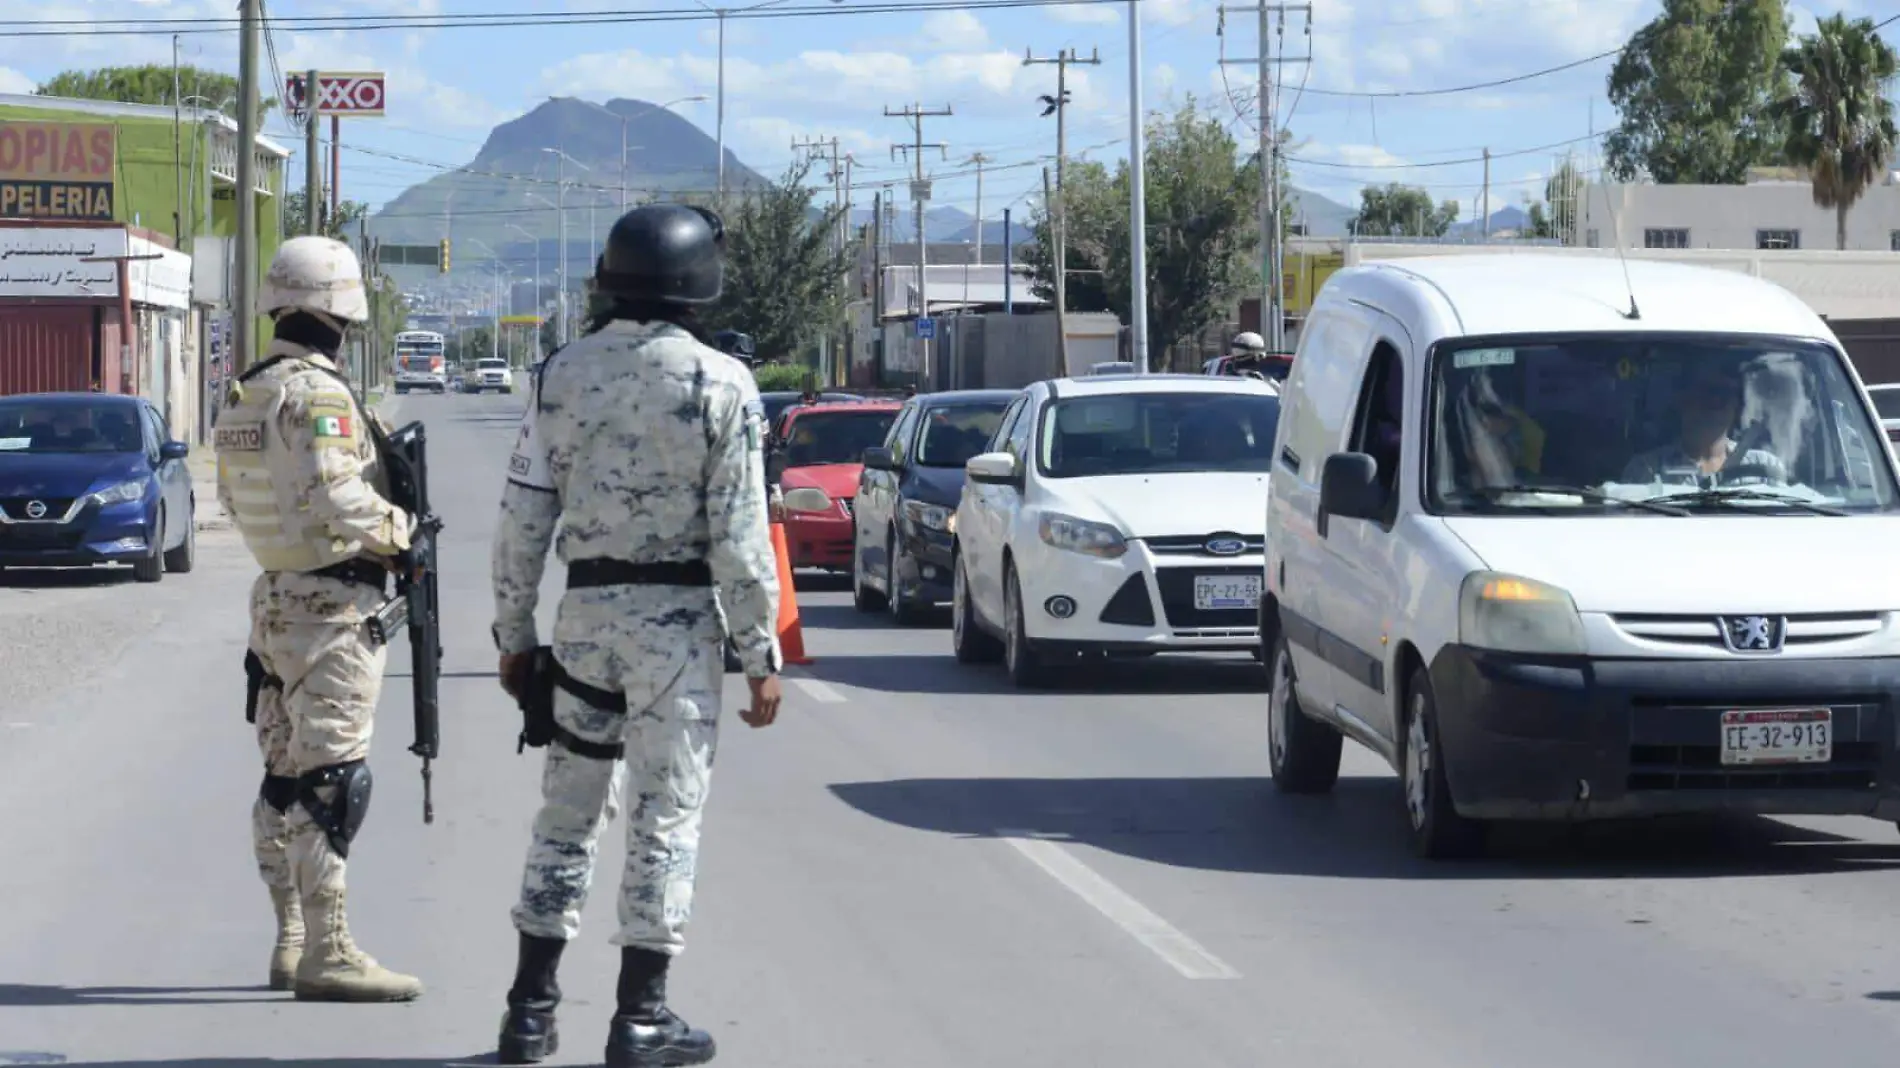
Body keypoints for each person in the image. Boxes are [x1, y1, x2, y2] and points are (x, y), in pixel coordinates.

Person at [490, 202, 784, 1068]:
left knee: (565, 816)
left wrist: (515, 635)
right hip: (678, 636)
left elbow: (520, 521)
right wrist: (761, 652)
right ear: (698, 283)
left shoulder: (558, 375)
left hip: (582, 627)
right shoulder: (722, 383)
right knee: (665, 818)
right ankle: (641, 1018)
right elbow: (740, 534)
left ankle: (528, 1013)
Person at [212, 235, 423, 1003]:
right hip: (332, 608)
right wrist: (406, 540)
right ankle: (327, 951)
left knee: (284, 775)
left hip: (274, 600)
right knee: (332, 781)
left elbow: (235, 502)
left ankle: (290, 940)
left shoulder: (246, 393)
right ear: (340, 312)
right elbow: (337, 495)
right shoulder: (321, 393)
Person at [1620, 360, 1785, 487]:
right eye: (1707, 391)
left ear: (1738, 405)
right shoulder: (1645, 469)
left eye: (1724, 393)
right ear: (1683, 399)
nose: (1714, 401)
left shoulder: (1765, 468)